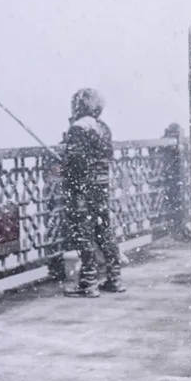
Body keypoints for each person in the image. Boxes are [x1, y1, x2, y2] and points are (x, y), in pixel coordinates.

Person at [62, 88, 121, 298]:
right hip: (102, 187)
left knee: (84, 234)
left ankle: (88, 283)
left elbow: (74, 163)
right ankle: (115, 278)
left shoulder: (77, 128)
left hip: (83, 189)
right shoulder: (103, 127)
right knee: (104, 231)